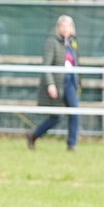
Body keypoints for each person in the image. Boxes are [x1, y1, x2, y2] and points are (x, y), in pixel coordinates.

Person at [27, 15, 80, 151]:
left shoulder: (72, 43)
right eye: (63, 26)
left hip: (70, 82)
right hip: (58, 82)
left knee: (75, 112)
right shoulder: (52, 42)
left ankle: (72, 144)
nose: (65, 29)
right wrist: (51, 84)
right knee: (56, 116)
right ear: (58, 28)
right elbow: (47, 65)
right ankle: (34, 135)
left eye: (68, 26)